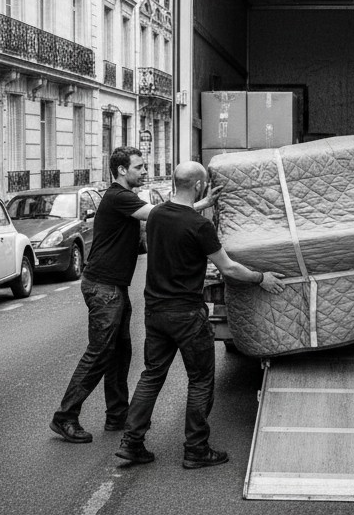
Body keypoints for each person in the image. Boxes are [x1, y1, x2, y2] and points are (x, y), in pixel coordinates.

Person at [116, 162, 285, 469]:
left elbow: (177, 214)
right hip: (187, 314)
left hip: (155, 311)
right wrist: (262, 278)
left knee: (151, 377)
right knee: (201, 380)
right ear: (197, 186)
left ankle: (131, 445)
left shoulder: (155, 216)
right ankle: (196, 449)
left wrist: (202, 203)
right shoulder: (199, 226)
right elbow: (229, 268)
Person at [50, 147, 218, 443]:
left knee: (119, 353)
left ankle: (117, 415)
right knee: (100, 353)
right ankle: (65, 416)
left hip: (113, 287)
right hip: (103, 288)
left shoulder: (122, 198)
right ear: (121, 171)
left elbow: (164, 220)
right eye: (139, 167)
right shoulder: (118, 196)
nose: (145, 172)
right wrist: (203, 201)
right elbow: (167, 216)